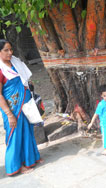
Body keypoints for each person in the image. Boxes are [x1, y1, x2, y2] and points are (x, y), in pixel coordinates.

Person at [0, 39, 42, 175]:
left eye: (11, 49)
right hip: (12, 109)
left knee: (27, 131)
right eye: (6, 50)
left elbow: (25, 80)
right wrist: (9, 114)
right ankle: (15, 166)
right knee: (14, 135)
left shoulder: (16, 63)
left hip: (25, 104)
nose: (10, 52)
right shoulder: (1, 70)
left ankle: (30, 159)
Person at [88, 84, 106, 155]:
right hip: (105, 124)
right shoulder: (101, 104)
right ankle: (105, 148)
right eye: (104, 96)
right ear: (101, 96)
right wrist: (91, 123)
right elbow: (96, 114)